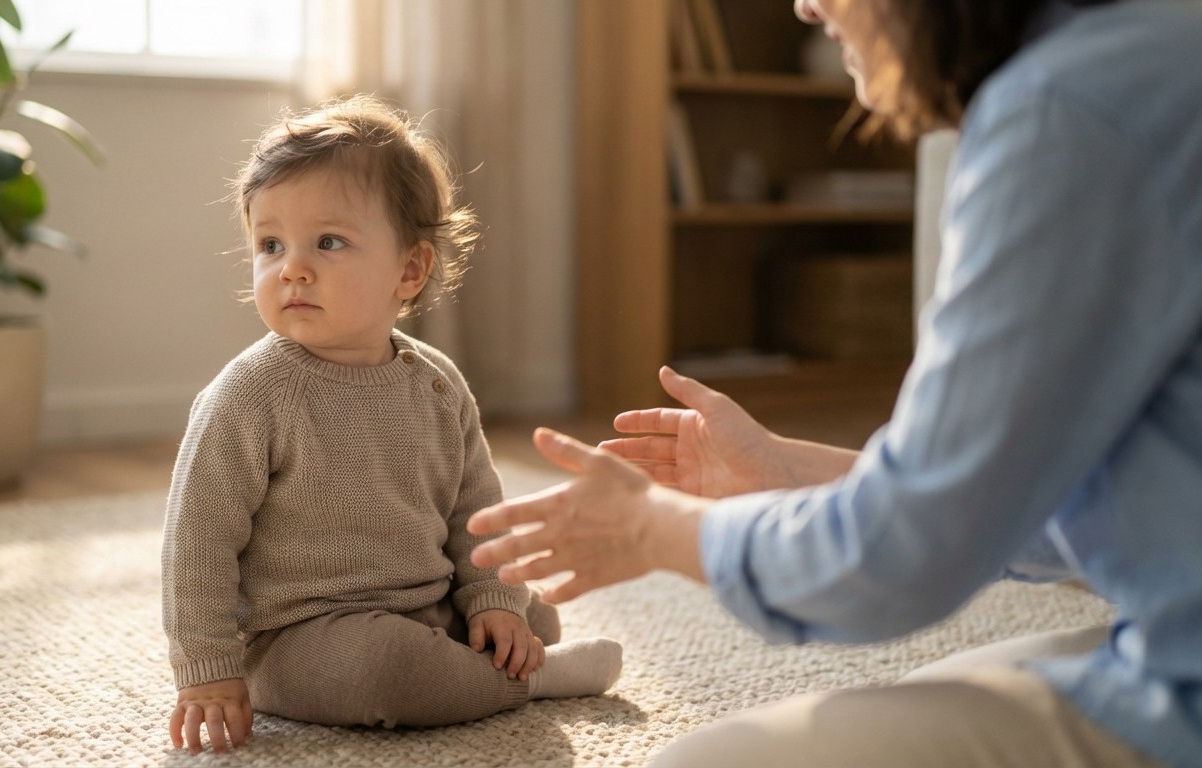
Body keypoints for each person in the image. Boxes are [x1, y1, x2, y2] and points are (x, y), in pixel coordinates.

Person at [469, 0, 1202, 765]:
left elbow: (900, 561)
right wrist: (788, 473)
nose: (804, 5)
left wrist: (648, 528)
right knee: (927, 692)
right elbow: (1058, 500)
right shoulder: (1145, 50)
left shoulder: (1063, 111)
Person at [161, 95, 622, 756]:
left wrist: (491, 598)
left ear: (409, 270)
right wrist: (206, 670)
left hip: (424, 599)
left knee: (526, 611)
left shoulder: (435, 381)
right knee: (385, 672)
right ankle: (532, 682)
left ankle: (487, 650)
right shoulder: (249, 395)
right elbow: (196, 543)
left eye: (328, 242)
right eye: (270, 245)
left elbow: (476, 509)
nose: (291, 267)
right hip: (301, 635)